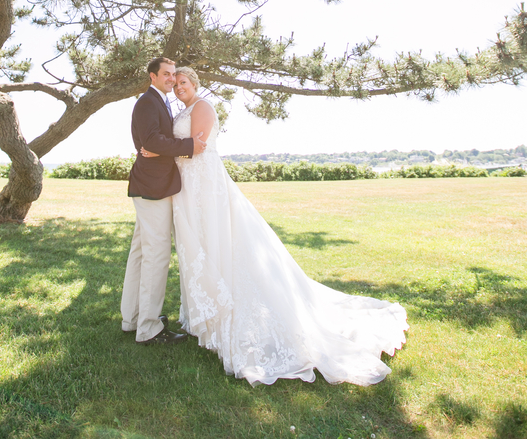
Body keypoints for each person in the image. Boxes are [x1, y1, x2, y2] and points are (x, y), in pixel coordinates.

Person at [140, 66, 408, 385]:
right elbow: (179, 146)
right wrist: (161, 149)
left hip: (205, 184)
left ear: (195, 83)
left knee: (216, 241)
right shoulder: (180, 111)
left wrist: (158, 150)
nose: (179, 86)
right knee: (198, 245)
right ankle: (206, 317)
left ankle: (227, 315)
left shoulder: (203, 107)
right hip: (187, 187)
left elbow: (196, 147)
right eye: (176, 83)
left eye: (184, 81)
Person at [121, 56, 206, 346]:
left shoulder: (160, 101)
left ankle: (132, 319)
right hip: (152, 188)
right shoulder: (147, 102)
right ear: (153, 76)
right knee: (156, 256)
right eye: (167, 74)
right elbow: (151, 142)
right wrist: (189, 146)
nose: (171, 79)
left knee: (140, 254)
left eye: (174, 74)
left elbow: (155, 142)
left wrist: (160, 147)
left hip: (152, 185)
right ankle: (148, 328)